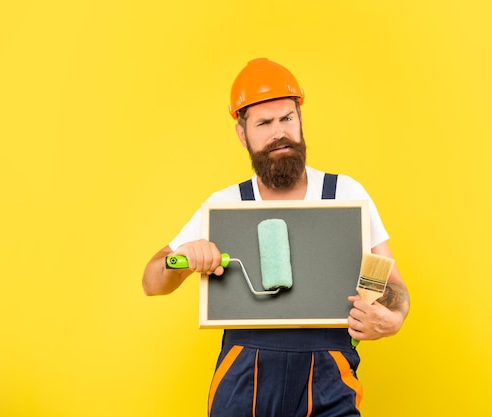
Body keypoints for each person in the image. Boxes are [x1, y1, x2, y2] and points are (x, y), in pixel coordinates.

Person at [142, 58, 410, 417]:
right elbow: (152, 280)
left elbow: (391, 285)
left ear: (300, 120)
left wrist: (392, 316)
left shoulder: (345, 193)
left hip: (330, 374)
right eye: (264, 123)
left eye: (287, 118)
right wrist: (184, 261)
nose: (278, 133)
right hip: (244, 374)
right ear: (243, 134)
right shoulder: (225, 205)